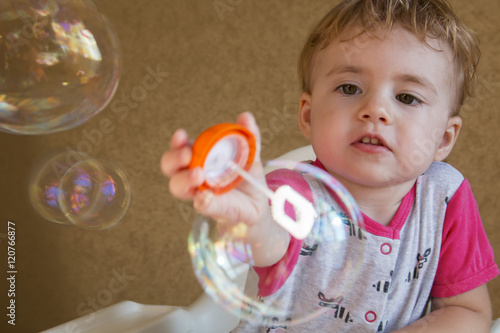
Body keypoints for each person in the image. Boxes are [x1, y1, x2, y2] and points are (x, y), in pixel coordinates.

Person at [161, 0, 499, 331]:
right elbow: (265, 240)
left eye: (407, 97)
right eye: (349, 88)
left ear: (443, 139)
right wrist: (250, 218)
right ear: (309, 117)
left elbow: (467, 310)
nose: (375, 109)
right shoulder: (291, 193)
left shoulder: (446, 197)